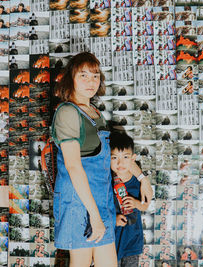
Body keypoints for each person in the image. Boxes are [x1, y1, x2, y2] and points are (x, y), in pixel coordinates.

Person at [51, 52, 152, 267]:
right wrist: (94, 217)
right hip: (79, 203)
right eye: (84, 75)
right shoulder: (67, 112)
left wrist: (143, 178)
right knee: (81, 262)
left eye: (95, 75)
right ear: (71, 78)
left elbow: (115, 155)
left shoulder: (94, 112)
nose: (91, 81)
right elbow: (73, 168)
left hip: (101, 201)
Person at [110, 131, 151, 267]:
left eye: (125, 157)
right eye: (114, 158)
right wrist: (113, 219)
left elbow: (145, 206)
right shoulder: (107, 181)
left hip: (132, 240)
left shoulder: (138, 182)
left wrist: (136, 203)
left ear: (133, 158)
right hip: (111, 239)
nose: (120, 163)